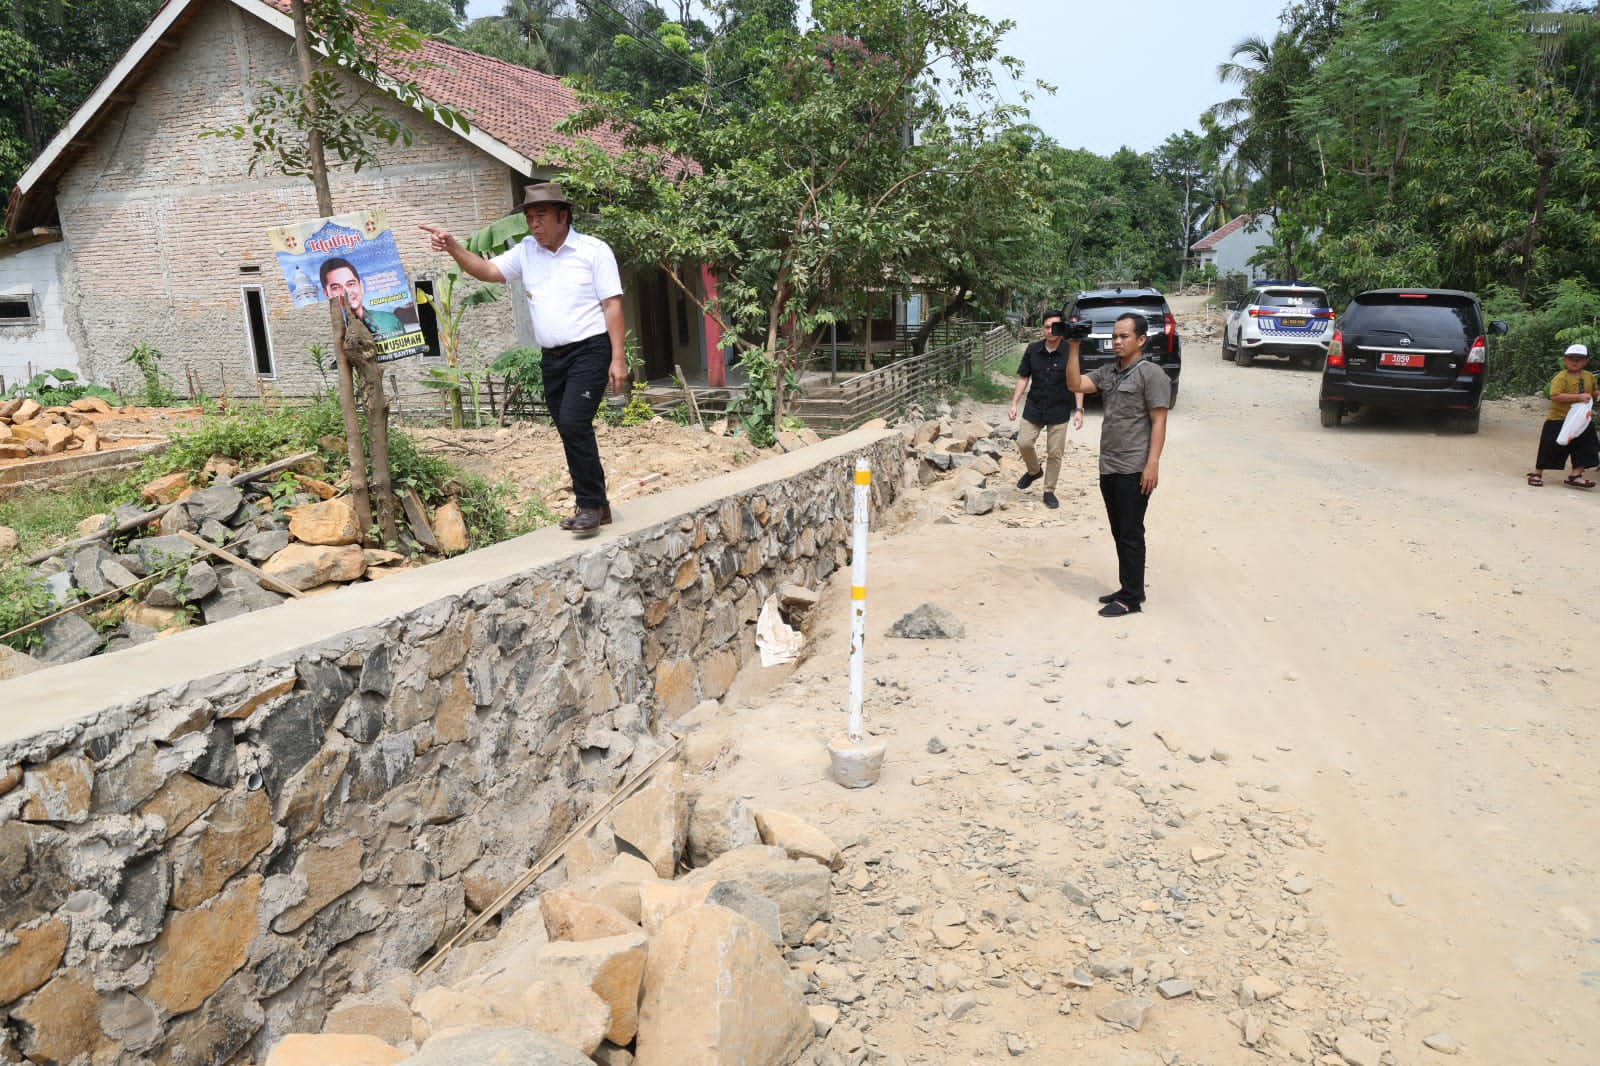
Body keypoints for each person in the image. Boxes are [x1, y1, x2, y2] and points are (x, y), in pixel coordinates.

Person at [421, 183, 627, 535]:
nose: (534, 224)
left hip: (591, 350)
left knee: (575, 422)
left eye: (541, 216)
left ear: (563, 216)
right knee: (567, 427)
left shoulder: (593, 251)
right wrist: (454, 247)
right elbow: (487, 272)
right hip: (552, 356)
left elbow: (612, 305)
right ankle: (599, 506)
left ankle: (589, 504)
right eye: (530, 217)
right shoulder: (526, 252)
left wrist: (618, 358)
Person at [1065, 312, 1170, 617]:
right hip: (1109, 465)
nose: (1117, 342)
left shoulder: (1152, 375)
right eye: (1114, 336)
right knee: (1118, 530)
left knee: (1130, 532)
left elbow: (1159, 421)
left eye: (1124, 336)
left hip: (1134, 467)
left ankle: (1131, 599)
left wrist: (1152, 465)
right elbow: (1075, 383)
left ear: (1141, 340)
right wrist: (1073, 346)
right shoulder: (1108, 372)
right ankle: (1128, 587)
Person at [1007, 310, 1084, 509]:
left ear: (1062, 328)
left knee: (1055, 453)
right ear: (1042, 328)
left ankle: (1049, 491)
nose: (1051, 331)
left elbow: (1077, 382)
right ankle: (1034, 471)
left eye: (1055, 327)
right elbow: (1023, 377)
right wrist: (1014, 403)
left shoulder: (1070, 350)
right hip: (1034, 405)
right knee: (1024, 442)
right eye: (1047, 326)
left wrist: (1079, 409)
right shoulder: (1033, 349)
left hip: (1059, 409)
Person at [1527, 342, 1599, 489]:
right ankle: (1537, 473)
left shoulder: (1589, 376)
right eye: (1571, 358)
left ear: (1586, 361)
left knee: (1587, 446)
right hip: (1559, 418)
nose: (1575, 361)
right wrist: (1578, 397)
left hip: (1582, 420)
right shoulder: (1561, 377)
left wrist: (1597, 394)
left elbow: (1593, 392)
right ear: (1565, 360)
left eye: (1579, 359)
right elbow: (1554, 396)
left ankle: (1576, 475)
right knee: (1550, 446)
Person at [319, 258, 404, 336]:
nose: (346, 292)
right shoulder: (330, 333)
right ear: (326, 294)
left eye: (351, 284)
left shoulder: (389, 320)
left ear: (361, 286)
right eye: (336, 288)